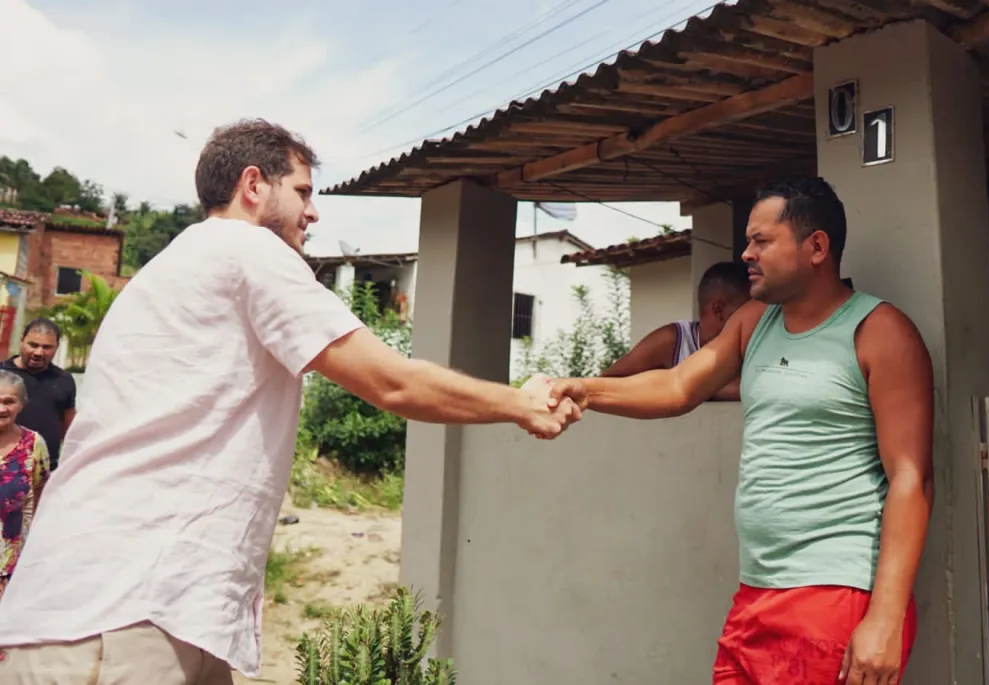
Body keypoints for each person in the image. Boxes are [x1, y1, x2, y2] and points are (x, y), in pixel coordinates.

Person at [0, 118, 579, 683]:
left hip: (136, 605)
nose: (313, 211)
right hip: (123, 612)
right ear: (253, 185)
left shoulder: (174, 266)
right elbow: (392, 382)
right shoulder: (247, 250)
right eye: (302, 191)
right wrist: (521, 403)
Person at [548, 177, 933, 685]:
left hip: (835, 594)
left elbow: (911, 479)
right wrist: (584, 389)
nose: (747, 254)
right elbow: (678, 385)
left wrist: (885, 617)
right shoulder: (755, 322)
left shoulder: (879, 332)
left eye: (761, 241)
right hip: (757, 589)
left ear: (817, 247)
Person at [601, 261, 750, 400]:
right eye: (746, 312)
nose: (754, 320)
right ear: (718, 310)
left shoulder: (751, 346)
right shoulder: (673, 341)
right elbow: (604, 386)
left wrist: (700, 387)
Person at [0, 370, 50, 602]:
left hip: (10, 564)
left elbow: (41, 496)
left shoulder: (33, 444)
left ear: (21, 404)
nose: (2, 409)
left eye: (9, 401)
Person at [1, 319, 76, 471]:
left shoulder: (64, 380)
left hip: (46, 469)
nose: (38, 352)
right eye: (33, 345)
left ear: (56, 347)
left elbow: (69, 431)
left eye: (47, 347)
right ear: (22, 341)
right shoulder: (2, 374)